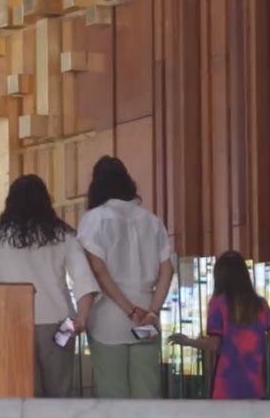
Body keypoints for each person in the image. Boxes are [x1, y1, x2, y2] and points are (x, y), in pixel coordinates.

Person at [0, 175, 99, 398]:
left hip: (12, 324)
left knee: (23, 392)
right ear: (46, 200)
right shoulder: (63, 234)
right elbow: (84, 281)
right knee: (60, 393)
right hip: (61, 323)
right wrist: (81, 318)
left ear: (10, 201)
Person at [77, 156, 174, 399]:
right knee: (147, 392)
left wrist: (130, 310)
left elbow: (99, 271)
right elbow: (167, 270)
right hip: (147, 314)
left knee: (113, 395)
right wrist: (152, 311)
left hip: (109, 316)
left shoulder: (94, 219)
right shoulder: (152, 221)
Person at [169, 251, 270, 400]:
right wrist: (259, 337)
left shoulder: (218, 303)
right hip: (254, 383)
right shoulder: (260, 304)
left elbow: (214, 344)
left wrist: (187, 341)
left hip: (226, 384)